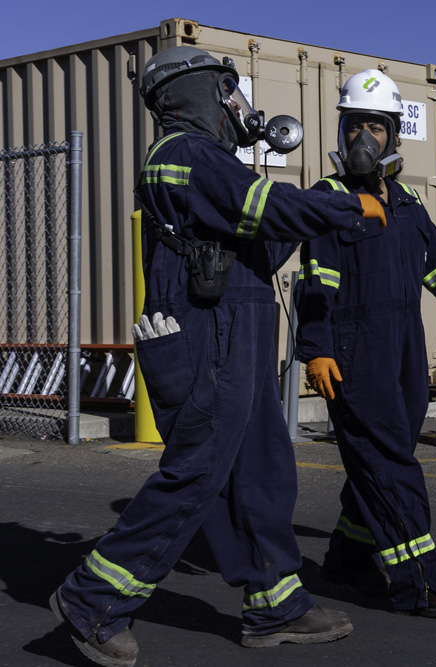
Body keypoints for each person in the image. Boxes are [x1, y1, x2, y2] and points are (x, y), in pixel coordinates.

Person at [50, 46, 389, 667]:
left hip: (237, 335)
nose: (239, 104)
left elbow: (265, 237)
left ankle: (276, 606)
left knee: (261, 470)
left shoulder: (214, 165)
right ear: (196, 93)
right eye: (229, 90)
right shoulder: (183, 155)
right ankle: (92, 598)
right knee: (197, 474)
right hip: (206, 339)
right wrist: (345, 203)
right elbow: (266, 208)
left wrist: (331, 195)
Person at [295, 69, 436, 617]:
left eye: (376, 126)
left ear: (394, 136)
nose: (364, 139)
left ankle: (349, 562)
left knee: (379, 458)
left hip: (404, 350)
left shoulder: (404, 204)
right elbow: (315, 283)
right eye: (355, 126)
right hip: (354, 353)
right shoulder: (328, 200)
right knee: (390, 463)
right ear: (341, 131)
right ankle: (420, 580)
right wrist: (317, 348)